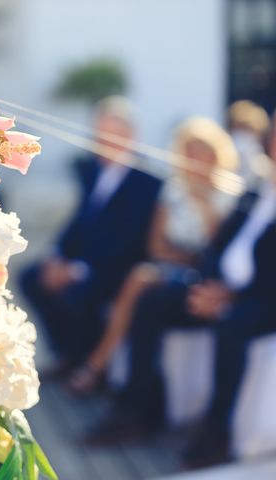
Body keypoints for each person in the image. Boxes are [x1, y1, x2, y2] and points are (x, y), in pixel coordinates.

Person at [87, 117, 276, 470]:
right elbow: (219, 245)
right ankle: (139, 410)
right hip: (220, 286)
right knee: (152, 302)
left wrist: (231, 298)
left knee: (232, 325)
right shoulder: (257, 189)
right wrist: (207, 283)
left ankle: (216, 433)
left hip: (261, 301)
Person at [67, 118, 238, 394]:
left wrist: (202, 204)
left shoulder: (228, 197)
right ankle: (101, 366)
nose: (197, 160)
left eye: (204, 153)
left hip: (198, 275)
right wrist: (184, 254)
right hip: (166, 267)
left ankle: (96, 364)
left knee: (139, 279)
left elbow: (214, 247)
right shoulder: (173, 190)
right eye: (191, 153)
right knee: (136, 280)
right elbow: (156, 245)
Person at [20, 97, 162, 373]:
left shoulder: (146, 180)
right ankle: (67, 354)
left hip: (117, 268)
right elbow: (79, 222)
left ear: (130, 136)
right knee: (31, 277)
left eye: (112, 135)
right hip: (84, 262)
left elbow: (130, 240)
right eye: (100, 135)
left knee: (80, 294)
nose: (104, 142)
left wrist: (77, 270)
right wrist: (56, 257)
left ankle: (88, 363)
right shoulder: (95, 172)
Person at [228, 100, 270, 188]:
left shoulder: (265, 168)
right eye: (241, 128)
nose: (245, 136)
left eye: (249, 130)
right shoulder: (221, 160)